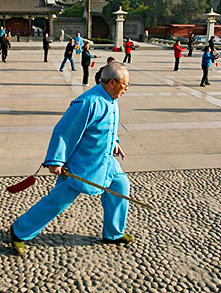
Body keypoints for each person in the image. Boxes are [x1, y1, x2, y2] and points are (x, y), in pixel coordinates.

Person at [9, 62, 133, 256]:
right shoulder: (88, 102)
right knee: (58, 201)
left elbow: (109, 126)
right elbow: (64, 132)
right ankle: (19, 231)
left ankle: (113, 233)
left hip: (106, 162)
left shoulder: (111, 98)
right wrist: (56, 161)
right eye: (125, 85)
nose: (126, 89)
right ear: (112, 82)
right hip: (82, 165)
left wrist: (115, 142)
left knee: (120, 186)